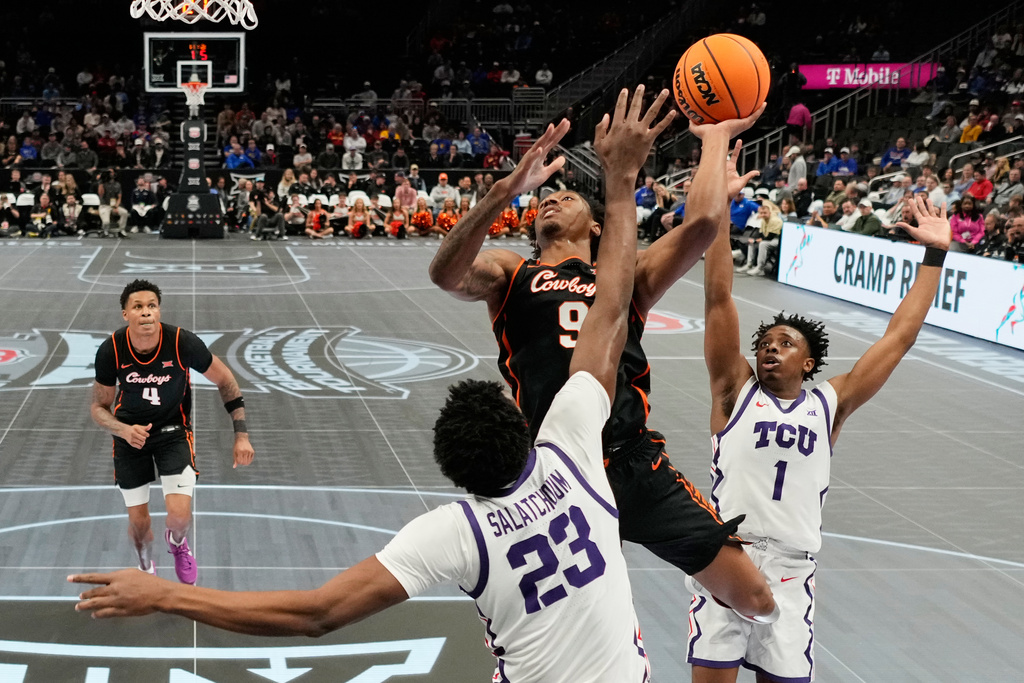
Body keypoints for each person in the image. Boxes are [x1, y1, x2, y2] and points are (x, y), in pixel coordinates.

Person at [71, 95, 665, 683]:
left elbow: (316, 612)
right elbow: (609, 314)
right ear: (525, 429)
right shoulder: (574, 458)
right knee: (757, 601)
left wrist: (163, 597)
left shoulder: (459, 530)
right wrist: (624, 180)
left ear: (453, 474)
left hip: (171, 439)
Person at [428, 87, 778, 621]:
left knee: (754, 598)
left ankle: (724, 649)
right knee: (558, 620)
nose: (553, 198)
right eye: (546, 197)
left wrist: (714, 138)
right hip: (551, 472)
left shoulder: (628, 275)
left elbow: (703, 224)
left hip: (630, 459)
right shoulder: (511, 273)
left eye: (569, 198)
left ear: (596, 227)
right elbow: (445, 274)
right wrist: (505, 190)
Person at [689, 194, 951, 683]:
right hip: (729, 555)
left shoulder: (830, 403)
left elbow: (899, 337)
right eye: (765, 344)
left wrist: (934, 255)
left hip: (792, 567)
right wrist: (720, 214)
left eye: (785, 344)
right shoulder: (734, 390)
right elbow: (718, 297)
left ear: (809, 364)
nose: (770, 349)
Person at [89, 280, 255, 584]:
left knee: (179, 515)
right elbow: (99, 408)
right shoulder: (111, 349)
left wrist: (241, 434)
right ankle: (145, 566)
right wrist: (123, 430)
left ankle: (178, 544)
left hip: (173, 432)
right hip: (130, 439)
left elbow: (226, 380)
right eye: (138, 307)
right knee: (138, 526)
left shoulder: (181, 342)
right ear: (125, 313)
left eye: (152, 305)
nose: (146, 313)